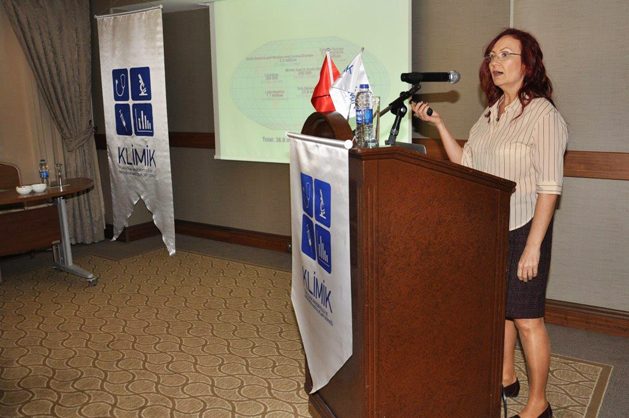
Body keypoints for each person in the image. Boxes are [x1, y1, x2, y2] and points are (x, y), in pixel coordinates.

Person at [412, 28, 567, 418]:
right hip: (491, 228)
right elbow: (467, 165)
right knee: (500, 310)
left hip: (525, 226)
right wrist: (439, 125)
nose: (495, 62)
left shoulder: (543, 115)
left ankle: (539, 404)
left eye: (506, 54)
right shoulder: (490, 113)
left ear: (528, 64)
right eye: (492, 55)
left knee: (527, 318)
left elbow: (550, 187)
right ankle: (505, 375)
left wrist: (533, 247)